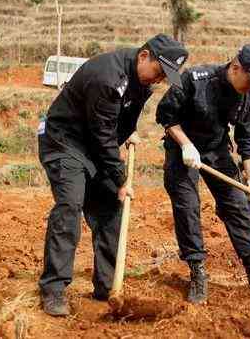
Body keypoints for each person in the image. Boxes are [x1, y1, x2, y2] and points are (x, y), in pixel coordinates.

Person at [37, 34, 188, 316]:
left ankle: (107, 287)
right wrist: (121, 179)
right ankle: (53, 289)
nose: (159, 80)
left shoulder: (142, 81)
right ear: (144, 57)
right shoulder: (107, 76)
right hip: (65, 141)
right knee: (70, 205)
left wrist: (128, 132)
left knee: (109, 210)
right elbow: (103, 136)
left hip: (95, 145)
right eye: (159, 71)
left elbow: (121, 121)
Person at [155, 43, 250, 304]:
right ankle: (198, 273)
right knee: (188, 207)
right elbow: (166, 115)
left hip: (216, 149)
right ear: (235, 67)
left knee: (237, 204)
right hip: (182, 148)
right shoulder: (196, 80)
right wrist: (185, 144)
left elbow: (247, 137)